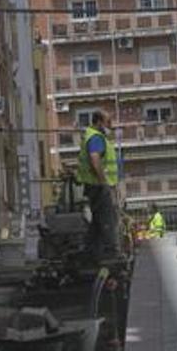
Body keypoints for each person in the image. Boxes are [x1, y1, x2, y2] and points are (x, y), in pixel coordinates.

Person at [76, 111, 119, 261]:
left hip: (93, 186)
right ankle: (110, 251)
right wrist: (103, 182)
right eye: (108, 122)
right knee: (107, 219)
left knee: (97, 221)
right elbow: (95, 160)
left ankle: (90, 251)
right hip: (98, 186)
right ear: (99, 122)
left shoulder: (92, 136)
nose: (110, 126)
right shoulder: (95, 138)